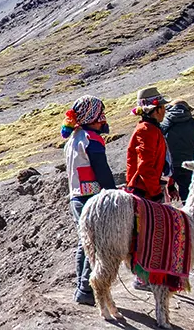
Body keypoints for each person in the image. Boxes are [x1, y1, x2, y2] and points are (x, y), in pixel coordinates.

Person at [61, 95, 117, 306]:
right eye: (100, 116)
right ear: (92, 116)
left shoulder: (72, 139)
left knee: (82, 242)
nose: (103, 120)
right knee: (92, 242)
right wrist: (113, 193)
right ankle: (86, 288)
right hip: (91, 197)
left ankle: (81, 288)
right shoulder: (91, 139)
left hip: (75, 196)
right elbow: (101, 170)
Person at [126, 87, 180, 204]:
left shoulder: (153, 129)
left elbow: (163, 161)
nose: (165, 111)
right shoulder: (146, 130)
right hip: (146, 192)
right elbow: (145, 166)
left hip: (153, 188)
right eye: (163, 107)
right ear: (157, 110)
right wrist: (155, 193)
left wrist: (170, 185)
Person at [160, 100, 194, 203]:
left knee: (170, 193)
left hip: (171, 166)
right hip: (190, 164)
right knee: (189, 191)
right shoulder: (193, 124)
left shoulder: (165, 124)